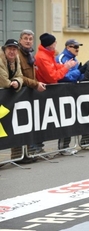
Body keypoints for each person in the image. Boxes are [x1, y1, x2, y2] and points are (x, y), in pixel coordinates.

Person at [11, 30, 46, 163]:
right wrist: (35, 84)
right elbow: (18, 76)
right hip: (18, 93)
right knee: (17, 125)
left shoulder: (30, 55)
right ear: (20, 40)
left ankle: (26, 154)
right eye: (25, 38)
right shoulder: (17, 55)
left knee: (27, 124)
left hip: (28, 94)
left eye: (30, 39)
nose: (28, 41)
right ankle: (17, 156)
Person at [55, 39, 85, 155]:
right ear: (68, 47)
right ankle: (62, 147)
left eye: (78, 46)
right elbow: (64, 77)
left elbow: (76, 77)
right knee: (64, 118)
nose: (77, 49)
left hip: (71, 92)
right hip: (62, 92)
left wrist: (82, 73)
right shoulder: (62, 58)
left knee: (70, 119)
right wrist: (78, 73)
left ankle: (66, 146)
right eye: (75, 46)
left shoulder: (75, 60)